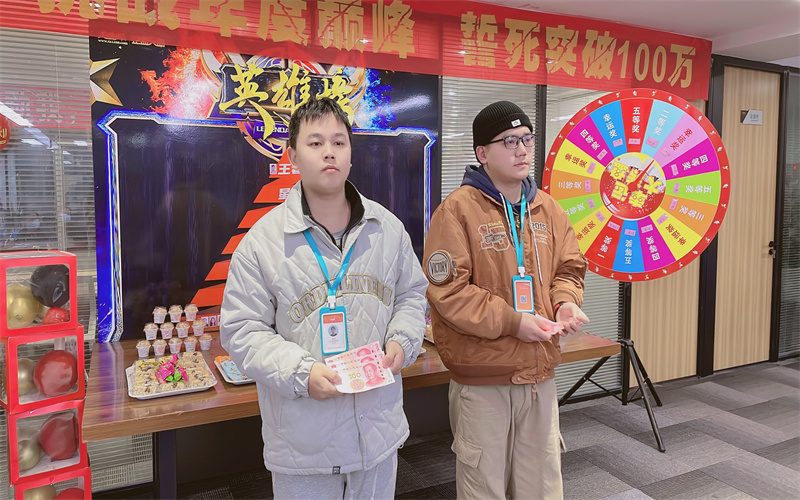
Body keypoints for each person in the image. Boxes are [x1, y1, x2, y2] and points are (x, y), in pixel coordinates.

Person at [220, 97, 428, 499]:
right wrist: (301, 373)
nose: (329, 152)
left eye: (338, 142)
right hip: (304, 447)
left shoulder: (387, 228)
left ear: (351, 155)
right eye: (315, 143)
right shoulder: (261, 242)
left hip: (377, 434)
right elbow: (242, 331)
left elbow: (411, 295)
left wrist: (403, 340)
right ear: (292, 156)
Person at [423, 101, 590, 500]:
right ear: (482, 153)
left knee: (541, 485)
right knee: (485, 487)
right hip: (484, 379)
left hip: (539, 375)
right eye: (509, 141)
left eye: (527, 139)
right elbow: (449, 291)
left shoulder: (548, 209)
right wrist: (515, 321)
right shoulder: (456, 211)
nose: (522, 150)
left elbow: (569, 268)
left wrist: (565, 302)